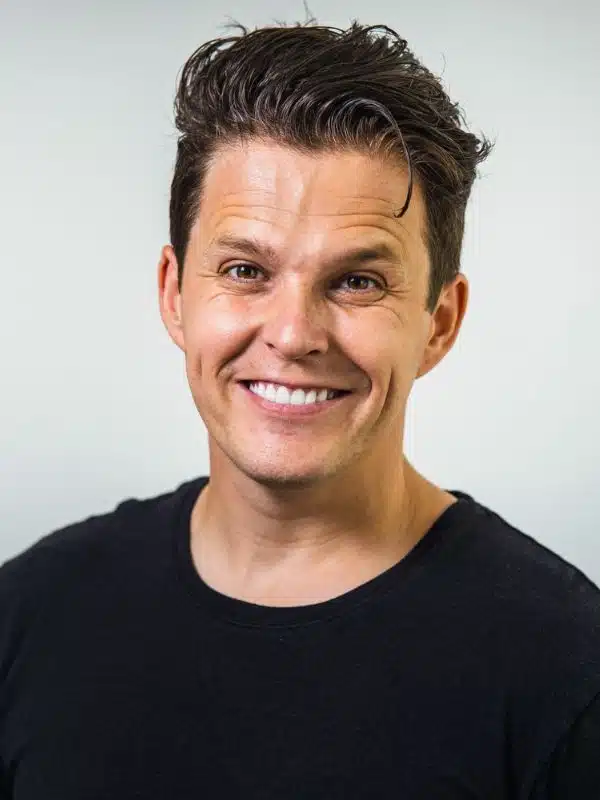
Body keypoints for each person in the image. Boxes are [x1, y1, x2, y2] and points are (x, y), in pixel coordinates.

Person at [1, 19, 599, 799]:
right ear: (174, 295)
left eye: (357, 281)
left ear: (439, 323)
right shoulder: (31, 616)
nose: (291, 335)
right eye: (246, 269)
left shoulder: (567, 675)